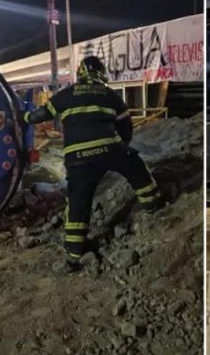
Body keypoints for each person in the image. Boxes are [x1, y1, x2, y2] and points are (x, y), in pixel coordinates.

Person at [20, 56, 163, 272]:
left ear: (80, 74)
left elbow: (40, 115)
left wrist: (24, 117)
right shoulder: (110, 95)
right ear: (101, 73)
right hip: (109, 150)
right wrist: (123, 146)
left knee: (79, 201)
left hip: (78, 160)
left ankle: (73, 254)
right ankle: (152, 205)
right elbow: (125, 127)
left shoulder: (66, 95)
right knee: (136, 169)